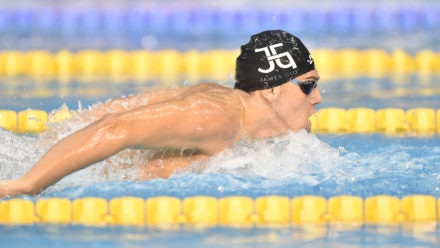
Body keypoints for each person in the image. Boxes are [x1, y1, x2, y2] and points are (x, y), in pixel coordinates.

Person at [0, 30, 321, 198]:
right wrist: (27, 183)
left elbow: (124, 106)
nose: (317, 98)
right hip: (82, 186)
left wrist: (61, 134)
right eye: (308, 86)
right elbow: (118, 126)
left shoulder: (223, 102)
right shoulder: (215, 116)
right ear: (271, 89)